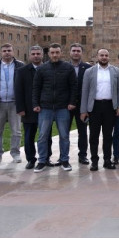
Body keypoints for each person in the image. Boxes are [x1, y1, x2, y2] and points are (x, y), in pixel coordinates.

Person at [32, 43, 77, 172]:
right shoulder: (42, 68)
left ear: (61, 53)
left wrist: (72, 102)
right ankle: (42, 160)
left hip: (62, 107)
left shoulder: (68, 68)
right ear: (49, 54)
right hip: (45, 107)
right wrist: (35, 104)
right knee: (42, 136)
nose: (55, 55)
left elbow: (74, 87)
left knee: (64, 136)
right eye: (52, 53)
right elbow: (36, 88)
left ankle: (64, 160)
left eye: (57, 52)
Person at [80, 49, 119, 171]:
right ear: (97, 56)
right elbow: (85, 91)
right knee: (94, 135)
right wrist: (83, 110)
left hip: (110, 106)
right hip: (95, 107)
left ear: (109, 57)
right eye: (101, 55)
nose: (104, 57)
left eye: (106, 55)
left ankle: (107, 160)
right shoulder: (89, 71)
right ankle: (94, 161)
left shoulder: (115, 71)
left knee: (108, 135)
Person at [14, 45, 53, 170]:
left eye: (38, 54)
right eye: (33, 54)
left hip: (46, 108)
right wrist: (20, 108)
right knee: (29, 136)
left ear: (42, 55)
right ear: (30, 55)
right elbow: (18, 91)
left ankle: (46, 157)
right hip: (28, 109)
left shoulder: (49, 69)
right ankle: (31, 159)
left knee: (46, 135)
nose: (36, 56)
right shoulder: (22, 71)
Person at [69, 43, 92, 165]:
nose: (76, 53)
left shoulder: (88, 68)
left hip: (82, 106)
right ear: (70, 52)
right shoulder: (64, 67)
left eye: (78, 51)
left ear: (82, 53)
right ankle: (63, 156)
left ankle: (82, 155)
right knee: (64, 132)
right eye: (74, 51)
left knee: (82, 132)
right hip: (67, 105)